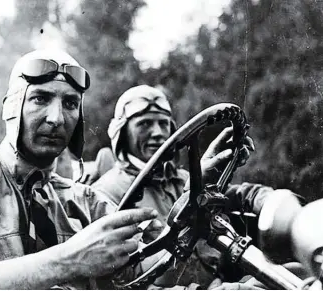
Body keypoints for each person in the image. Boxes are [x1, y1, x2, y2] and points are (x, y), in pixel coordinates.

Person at [0, 49, 168, 289]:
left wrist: (190, 217)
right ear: (12, 107)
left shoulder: (88, 203)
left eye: (70, 103)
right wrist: (69, 261)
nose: (57, 118)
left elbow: (152, 268)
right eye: (40, 99)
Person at [91, 85, 299, 289]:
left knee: (297, 273)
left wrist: (274, 202)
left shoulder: (184, 178)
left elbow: (236, 194)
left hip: (218, 283)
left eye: (164, 124)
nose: (157, 133)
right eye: (144, 124)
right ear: (123, 133)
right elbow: (122, 280)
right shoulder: (105, 194)